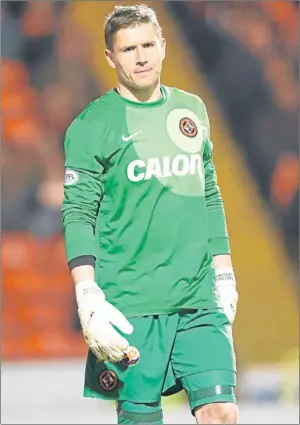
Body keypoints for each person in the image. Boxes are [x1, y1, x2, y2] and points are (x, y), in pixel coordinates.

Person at [62, 3, 238, 424]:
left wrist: (224, 269)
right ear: (111, 57)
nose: (140, 57)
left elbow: (209, 192)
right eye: (127, 49)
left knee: (221, 411)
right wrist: (87, 294)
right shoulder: (91, 126)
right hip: (131, 305)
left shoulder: (191, 111)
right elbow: (78, 212)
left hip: (197, 299)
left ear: (162, 46)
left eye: (146, 45)